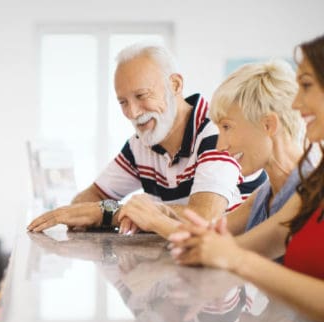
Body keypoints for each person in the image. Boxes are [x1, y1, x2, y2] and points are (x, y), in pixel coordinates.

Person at [27, 43, 265, 234]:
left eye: (142, 95)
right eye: (123, 102)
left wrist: (109, 213)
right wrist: (105, 210)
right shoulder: (142, 142)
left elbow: (203, 219)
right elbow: (84, 203)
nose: (133, 112)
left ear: (175, 84)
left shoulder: (217, 132)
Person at [169, 34, 324, 322]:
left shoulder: (305, 182)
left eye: (306, 86)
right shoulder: (312, 184)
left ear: (268, 125)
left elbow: (237, 254)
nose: (296, 102)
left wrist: (232, 257)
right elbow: (248, 245)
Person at [116, 59, 313, 238]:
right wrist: (163, 213)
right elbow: (209, 238)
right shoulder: (264, 195)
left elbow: (227, 252)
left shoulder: (312, 191)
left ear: (268, 125)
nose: (220, 146)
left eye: (227, 127)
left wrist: (155, 220)